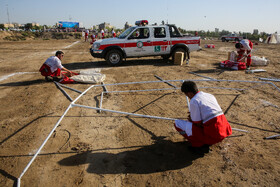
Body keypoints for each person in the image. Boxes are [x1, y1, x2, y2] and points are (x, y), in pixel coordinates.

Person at [174, 81, 232, 150]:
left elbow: (197, 123)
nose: (188, 97)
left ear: (189, 93)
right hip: (224, 131)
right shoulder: (209, 95)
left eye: (187, 95)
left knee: (177, 123)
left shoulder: (194, 100)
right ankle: (203, 141)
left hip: (213, 136)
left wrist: (191, 118)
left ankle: (198, 144)